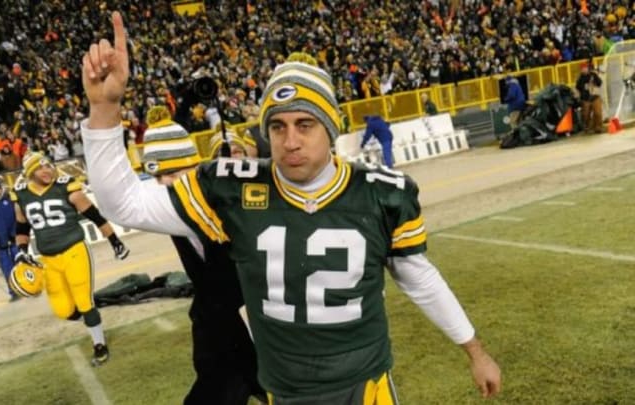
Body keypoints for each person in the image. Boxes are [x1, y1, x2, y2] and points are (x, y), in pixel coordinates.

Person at [81, 12, 501, 403]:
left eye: (305, 124)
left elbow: (420, 280)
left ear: (331, 127)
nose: (290, 140)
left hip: (365, 385)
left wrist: (474, 350)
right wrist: (104, 109)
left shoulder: (380, 192)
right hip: (285, 390)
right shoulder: (232, 188)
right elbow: (124, 204)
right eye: (277, 126)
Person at [141, 120, 265, 404]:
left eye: (173, 173)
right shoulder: (172, 207)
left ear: (196, 167)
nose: (165, 184)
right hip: (217, 331)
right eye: (159, 176)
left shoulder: (237, 205)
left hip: (261, 324)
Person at [11, 151, 130, 366]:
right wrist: (21, 251)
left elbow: (95, 216)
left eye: (49, 165)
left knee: (84, 302)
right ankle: (92, 314)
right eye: (41, 167)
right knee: (63, 310)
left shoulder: (67, 188)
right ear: (30, 173)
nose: (47, 170)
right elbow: (21, 226)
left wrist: (115, 241)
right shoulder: (21, 195)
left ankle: (99, 344)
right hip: (48, 259)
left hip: (74, 250)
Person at [576, 62, 603, 134]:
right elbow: (578, 88)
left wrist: (595, 78)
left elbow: (599, 83)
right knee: (586, 114)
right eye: (582, 69)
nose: (584, 70)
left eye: (585, 68)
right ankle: (587, 127)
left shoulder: (593, 75)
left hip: (595, 96)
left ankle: (598, 127)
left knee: (598, 113)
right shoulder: (580, 78)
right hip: (586, 98)